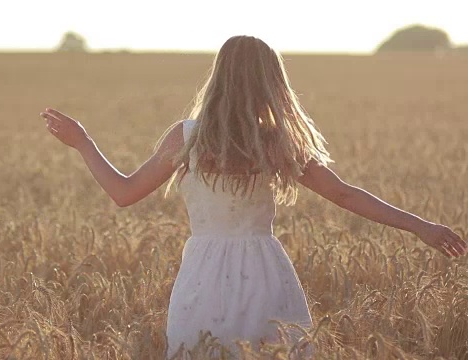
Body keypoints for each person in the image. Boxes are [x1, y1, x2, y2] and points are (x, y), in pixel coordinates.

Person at [41, 35, 466, 358]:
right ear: (271, 82)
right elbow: (345, 194)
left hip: (202, 276)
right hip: (265, 272)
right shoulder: (276, 141)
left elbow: (122, 192)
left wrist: (83, 143)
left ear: (218, 77)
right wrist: (421, 226)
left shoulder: (186, 138)